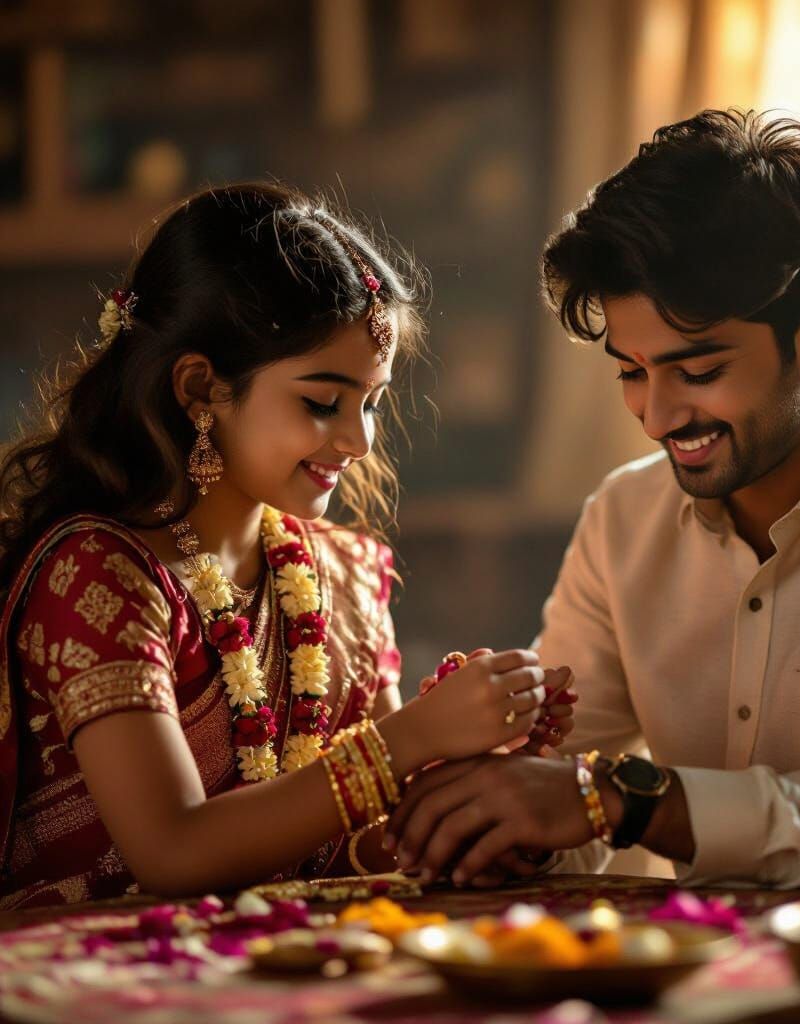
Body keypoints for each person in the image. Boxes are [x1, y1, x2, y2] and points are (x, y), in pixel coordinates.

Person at [385, 109, 800, 889]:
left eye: (697, 372)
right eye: (630, 371)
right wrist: (494, 803)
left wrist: (624, 800)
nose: (656, 417)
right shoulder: (624, 521)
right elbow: (568, 809)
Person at [0, 182, 573, 909]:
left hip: (289, 974)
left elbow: (355, 842)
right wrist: (409, 740)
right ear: (200, 388)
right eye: (322, 402)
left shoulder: (342, 576)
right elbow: (173, 850)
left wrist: (472, 804)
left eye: (372, 401)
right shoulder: (101, 578)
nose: (360, 440)